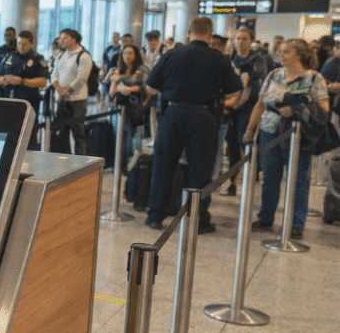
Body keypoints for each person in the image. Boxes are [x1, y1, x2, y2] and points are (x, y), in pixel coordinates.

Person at [144, 16, 242, 233]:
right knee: (200, 170)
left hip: (172, 114)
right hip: (203, 116)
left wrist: (172, 90)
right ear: (210, 33)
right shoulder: (219, 58)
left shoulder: (171, 55)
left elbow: (150, 86)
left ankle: (155, 215)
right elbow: (234, 90)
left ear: (189, 33)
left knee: (163, 166)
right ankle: (199, 220)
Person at [243, 38, 330, 240]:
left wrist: (296, 109)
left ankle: (296, 223)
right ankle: (266, 217)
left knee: (298, 180)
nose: (282, 55)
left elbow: (323, 109)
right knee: (270, 178)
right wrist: (250, 129)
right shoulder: (274, 75)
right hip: (269, 131)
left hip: (297, 135)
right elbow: (260, 104)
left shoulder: (314, 78)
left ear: (299, 55)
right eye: (281, 51)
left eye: (287, 52)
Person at [221, 27, 267, 196]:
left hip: (249, 107)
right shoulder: (229, 58)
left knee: (246, 141)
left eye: (244, 38)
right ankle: (232, 183)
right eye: (238, 38)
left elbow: (258, 80)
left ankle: (250, 177)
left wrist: (246, 77)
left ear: (251, 40)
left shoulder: (258, 59)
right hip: (231, 106)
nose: (241, 42)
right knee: (232, 144)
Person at [0, 30, 49, 136]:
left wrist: (22, 81)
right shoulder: (9, 56)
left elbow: (43, 81)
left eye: (24, 44)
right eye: (19, 43)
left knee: (27, 135)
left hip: (28, 103)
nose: (21, 47)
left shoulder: (37, 59)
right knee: (7, 134)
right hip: (8, 102)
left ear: (31, 44)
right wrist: (3, 80)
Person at [51, 29, 93, 155]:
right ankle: (64, 158)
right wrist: (59, 89)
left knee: (78, 132)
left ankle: (80, 159)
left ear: (74, 39)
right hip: (62, 99)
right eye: (60, 38)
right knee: (62, 132)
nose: (61, 41)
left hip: (77, 99)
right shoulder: (61, 56)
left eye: (64, 38)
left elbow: (81, 78)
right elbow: (54, 75)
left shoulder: (83, 56)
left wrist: (67, 91)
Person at [109, 44, 152, 166]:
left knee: (132, 134)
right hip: (119, 106)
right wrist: (120, 86)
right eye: (125, 53)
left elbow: (146, 87)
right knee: (119, 134)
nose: (127, 56)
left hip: (135, 106)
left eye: (130, 53)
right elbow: (112, 89)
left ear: (135, 55)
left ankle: (130, 162)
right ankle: (120, 162)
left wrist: (130, 88)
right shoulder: (118, 69)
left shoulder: (142, 69)